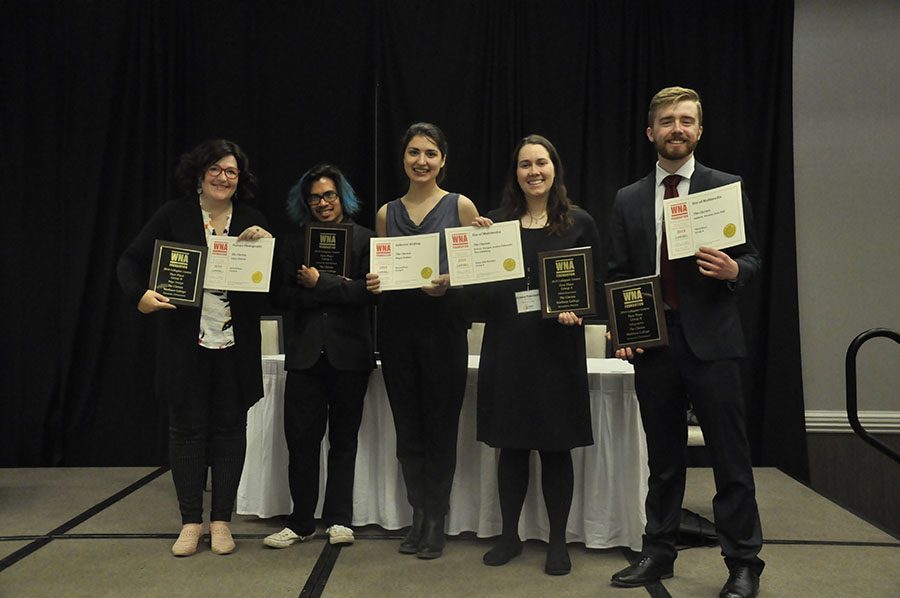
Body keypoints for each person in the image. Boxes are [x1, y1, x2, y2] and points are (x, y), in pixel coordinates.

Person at [607, 87, 764, 598]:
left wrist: (735, 268)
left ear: (698, 131)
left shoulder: (725, 188)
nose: (677, 129)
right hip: (654, 343)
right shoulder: (629, 198)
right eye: (668, 121)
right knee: (664, 457)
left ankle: (742, 562)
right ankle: (659, 552)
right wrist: (622, 329)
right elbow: (619, 274)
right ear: (651, 132)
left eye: (687, 121)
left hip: (713, 342)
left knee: (730, 459)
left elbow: (754, 259)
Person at [117, 139, 272, 556]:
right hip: (185, 347)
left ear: (240, 180)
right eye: (216, 170)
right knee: (186, 433)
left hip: (234, 348)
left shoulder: (252, 221)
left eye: (232, 172)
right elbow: (129, 261)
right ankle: (191, 522)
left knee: (229, 432)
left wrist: (265, 250)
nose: (224, 178)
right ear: (200, 174)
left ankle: (221, 521)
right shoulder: (173, 215)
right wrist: (141, 296)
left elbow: (270, 292)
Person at [472, 134, 604, 576]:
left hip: (556, 351)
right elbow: (479, 294)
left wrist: (579, 312)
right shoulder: (494, 224)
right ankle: (509, 536)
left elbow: (595, 288)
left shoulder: (579, 222)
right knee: (510, 447)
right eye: (525, 164)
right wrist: (476, 250)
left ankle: (557, 543)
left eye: (541, 163)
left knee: (555, 448)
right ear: (516, 173)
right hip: (507, 347)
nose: (534, 171)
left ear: (554, 169)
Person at [365, 122, 480, 559]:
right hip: (397, 330)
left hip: (444, 329)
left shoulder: (461, 206)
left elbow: (477, 275)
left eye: (430, 153)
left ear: (443, 160)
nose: (421, 161)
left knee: (440, 426)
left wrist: (451, 282)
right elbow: (384, 269)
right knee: (408, 427)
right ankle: (417, 513)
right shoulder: (385, 213)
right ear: (404, 158)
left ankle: (436, 519)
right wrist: (375, 282)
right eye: (414, 152)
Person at [263, 164, 375, 549]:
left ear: (342, 196)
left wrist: (319, 284)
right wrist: (336, 288)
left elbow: (369, 294)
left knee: (344, 442)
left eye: (329, 195)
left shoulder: (366, 240)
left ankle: (339, 519)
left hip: (351, 356)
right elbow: (279, 296)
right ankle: (300, 521)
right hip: (305, 357)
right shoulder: (293, 243)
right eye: (314, 197)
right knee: (301, 443)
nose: (322, 203)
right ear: (304, 202)